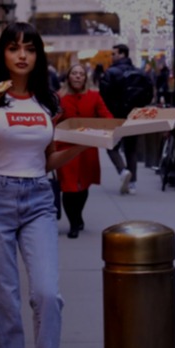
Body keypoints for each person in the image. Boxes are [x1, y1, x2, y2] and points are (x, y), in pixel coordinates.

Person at [0, 21, 87, 348]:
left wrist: (84, 143)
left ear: (38, 55)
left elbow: (47, 159)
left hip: (40, 198)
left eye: (29, 48)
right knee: (4, 299)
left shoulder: (48, 101)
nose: (21, 55)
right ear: (3, 54)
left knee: (47, 294)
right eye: (13, 47)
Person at [56, 64, 113, 238]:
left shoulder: (94, 96)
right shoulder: (59, 97)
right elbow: (52, 119)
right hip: (65, 147)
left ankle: (78, 216)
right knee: (68, 187)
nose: (78, 76)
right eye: (74, 73)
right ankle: (73, 223)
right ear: (69, 77)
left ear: (85, 78)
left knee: (84, 186)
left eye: (81, 74)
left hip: (87, 147)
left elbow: (107, 117)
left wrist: (102, 130)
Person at [99, 44, 139, 195]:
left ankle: (122, 171)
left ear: (122, 54)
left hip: (115, 116)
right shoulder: (138, 71)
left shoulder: (111, 72)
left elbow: (103, 95)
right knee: (131, 149)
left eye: (114, 53)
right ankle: (133, 183)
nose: (112, 56)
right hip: (134, 116)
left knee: (111, 146)